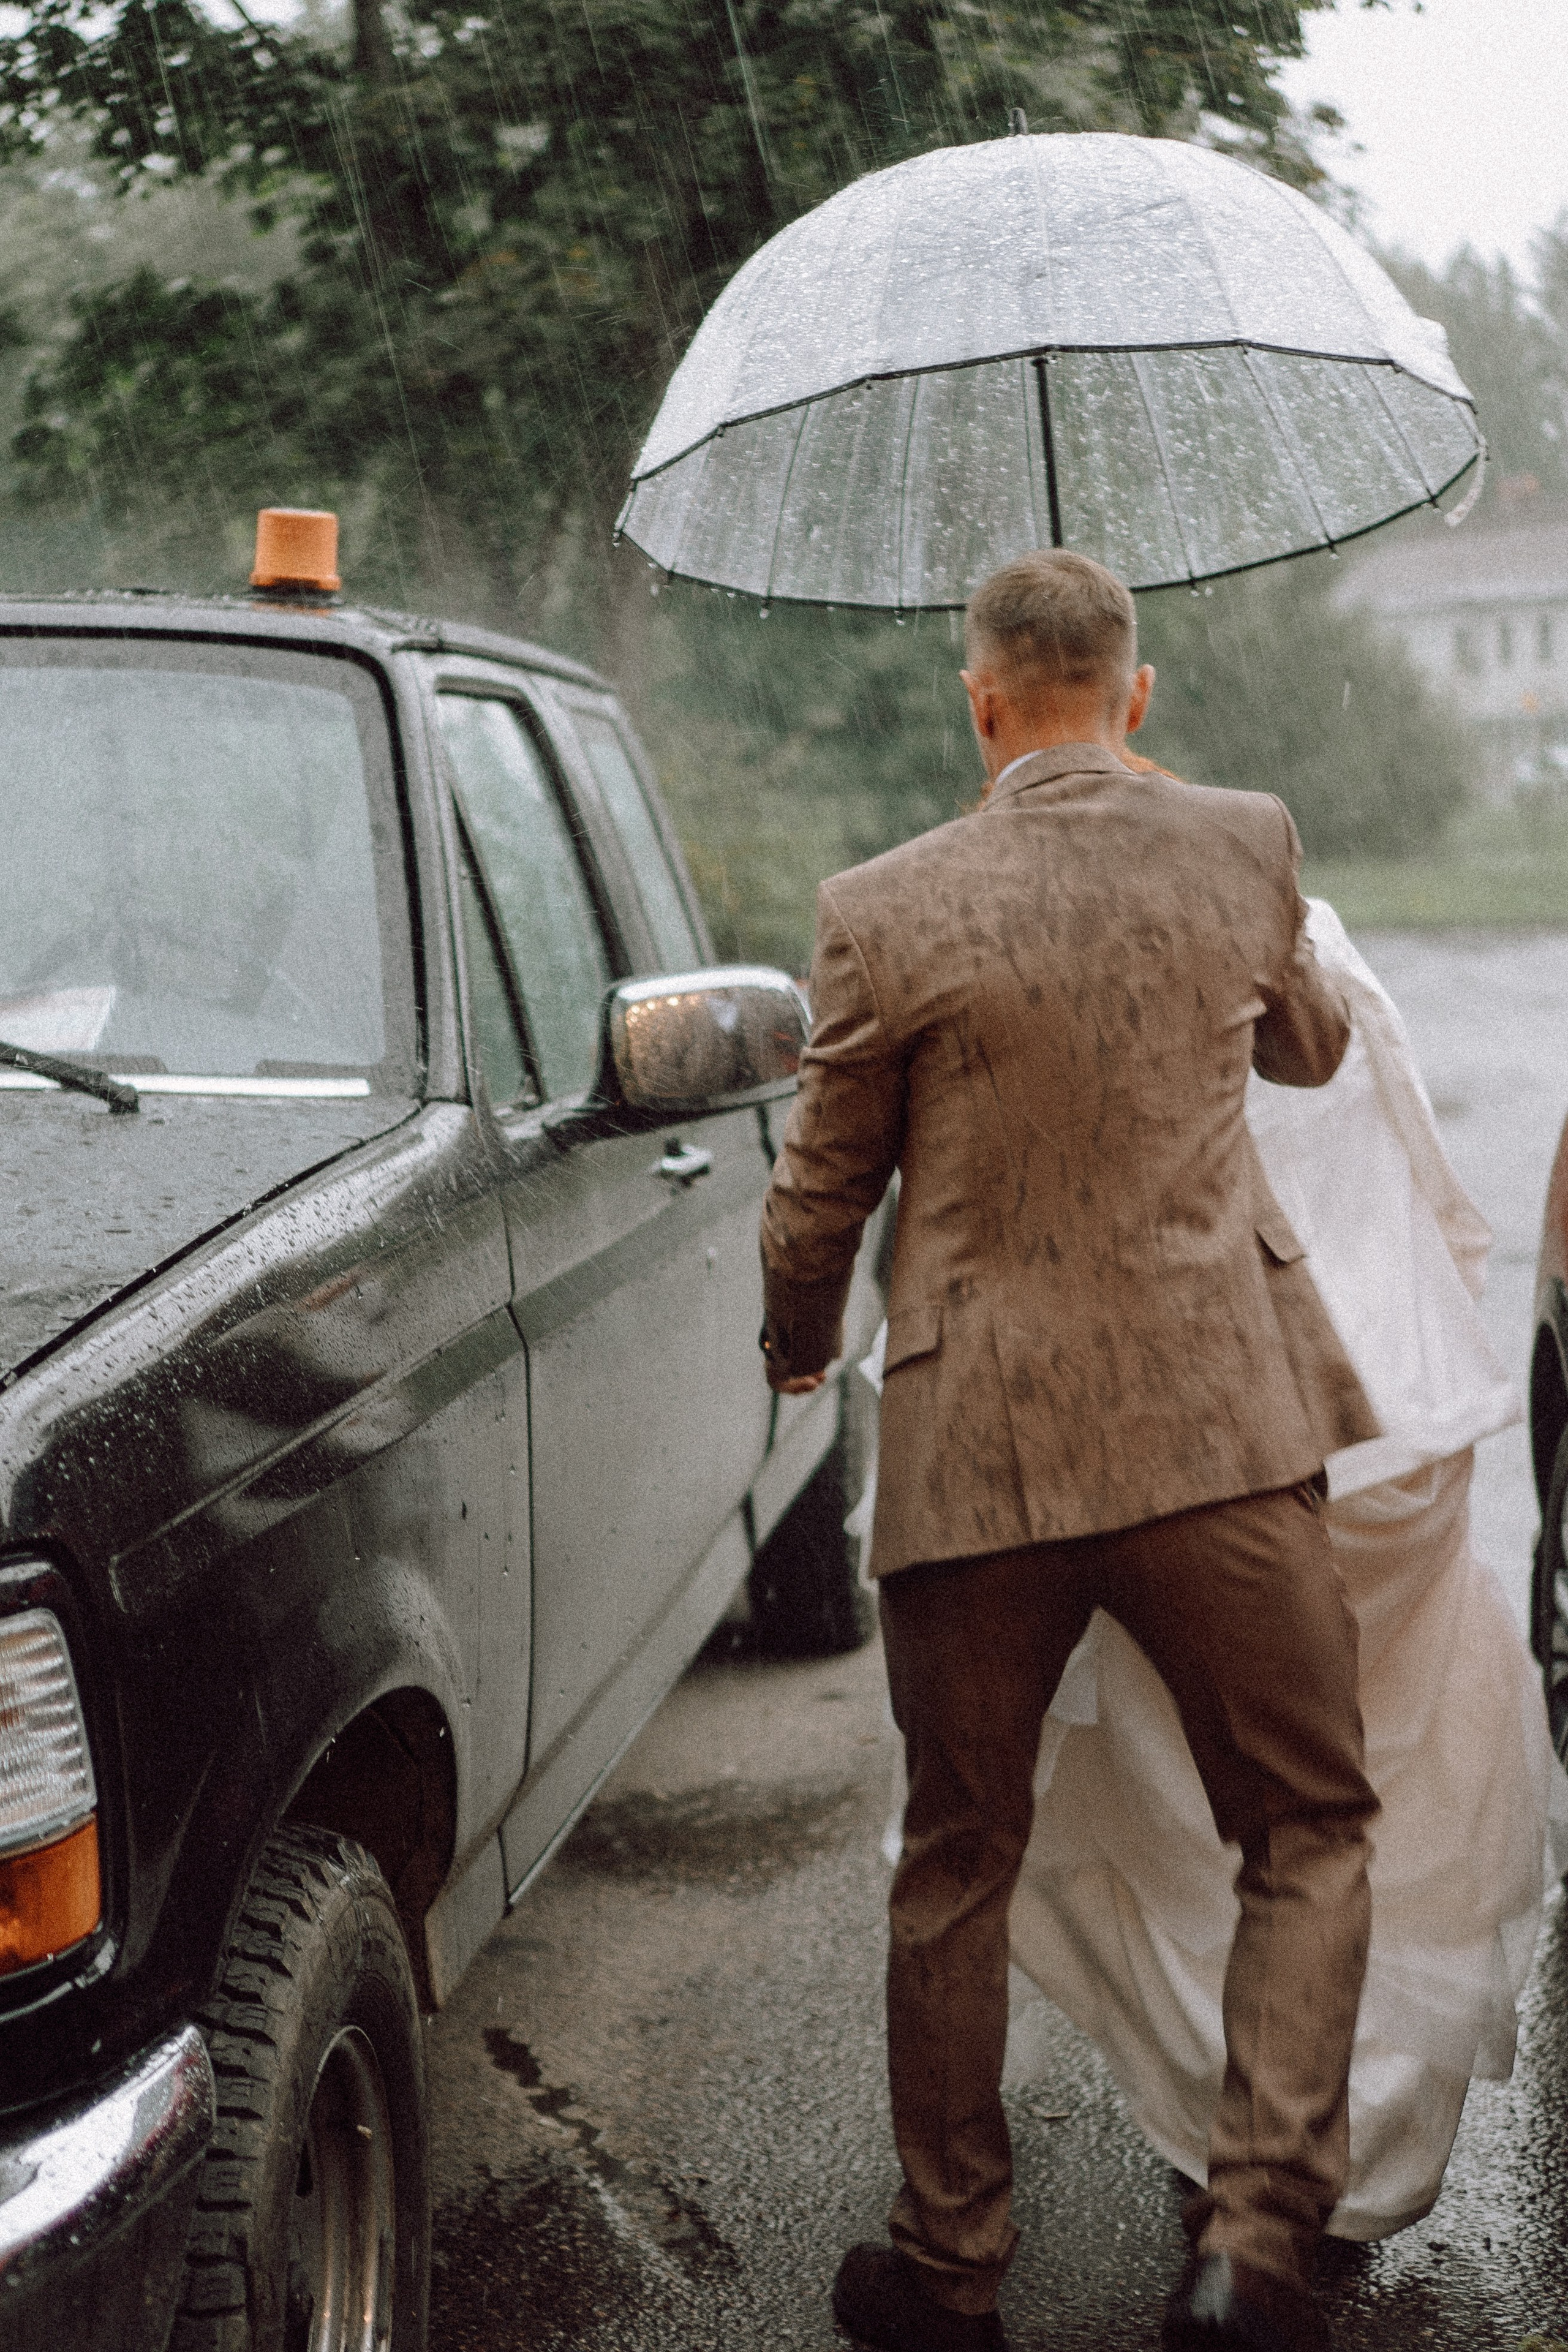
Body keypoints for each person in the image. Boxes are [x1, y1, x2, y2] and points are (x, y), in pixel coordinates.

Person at [758, 547, 1383, 2352]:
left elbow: (820, 1205)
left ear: (978, 702)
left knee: (959, 1855)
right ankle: (1255, 2245)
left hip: (983, 1464)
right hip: (1220, 1436)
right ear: (1138, 690)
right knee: (1310, 1821)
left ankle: (950, 2273)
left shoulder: (884, 906)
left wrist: (799, 1354)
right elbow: (1316, 1049)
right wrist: (1186, 834)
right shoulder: (1242, 837)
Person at [996, 891, 1568, 2242]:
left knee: (1190, 1803)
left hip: (1162, 1451)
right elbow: (1423, 1196)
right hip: (1351, 1421)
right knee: (1342, 1803)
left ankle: (1216, 2137)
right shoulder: (1303, 940)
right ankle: (1300, 2164)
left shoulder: (1063, 946)